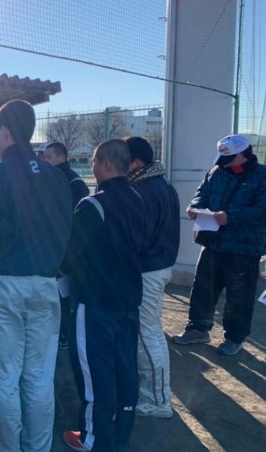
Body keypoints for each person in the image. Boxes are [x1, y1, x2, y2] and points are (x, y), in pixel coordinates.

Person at [0, 100, 72, 452]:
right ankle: (37, 447)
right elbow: (66, 230)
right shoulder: (57, 177)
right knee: (40, 375)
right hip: (46, 283)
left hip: (1, 285)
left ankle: (7, 447)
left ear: (4, 131)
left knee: (3, 376)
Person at [61, 139, 145, 452]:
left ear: (106, 165)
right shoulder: (137, 199)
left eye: (95, 161)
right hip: (128, 300)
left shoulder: (93, 205)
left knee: (94, 373)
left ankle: (94, 439)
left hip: (95, 302)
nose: (92, 167)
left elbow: (69, 254)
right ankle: (120, 435)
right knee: (124, 369)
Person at [174, 134, 266, 356]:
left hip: (244, 248)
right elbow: (202, 193)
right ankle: (198, 328)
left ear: (244, 154)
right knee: (202, 289)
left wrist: (230, 217)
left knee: (239, 295)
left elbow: (262, 210)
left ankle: (234, 337)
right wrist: (194, 207)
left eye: (230, 158)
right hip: (212, 243)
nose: (225, 164)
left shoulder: (262, 176)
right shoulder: (216, 171)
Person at [125, 136, 180, 419]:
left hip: (148, 270)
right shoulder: (159, 183)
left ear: (135, 163)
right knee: (150, 332)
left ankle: (157, 401)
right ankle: (156, 395)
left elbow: (138, 238)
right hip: (157, 266)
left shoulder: (145, 189)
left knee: (146, 335)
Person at [44, 141, 90, 350]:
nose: (45, 161)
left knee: (64, 296)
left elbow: (73, 223)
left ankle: (64, 334)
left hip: (64, 251)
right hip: (60, 249)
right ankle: (62, 333)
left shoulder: (72, 183)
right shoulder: (57, 179)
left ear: (62, 158)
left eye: (49, 157)